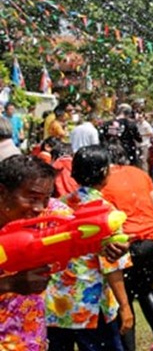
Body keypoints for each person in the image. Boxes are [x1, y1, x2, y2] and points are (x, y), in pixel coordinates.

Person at [46, 145, 133, 351]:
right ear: (104, 172)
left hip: (57, 303)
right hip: (90, 304)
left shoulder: (59, 206)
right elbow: (111, 264)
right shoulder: (105, 212)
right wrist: (125, 306)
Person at [101, 143, 153, 351]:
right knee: (147, 291)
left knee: (126, 299)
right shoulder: (140, 173)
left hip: (127, 243)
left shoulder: (104, 181)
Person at [0, 155, 71, 350]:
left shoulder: (49, 213)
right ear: (2, 192)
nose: (39, 208)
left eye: (46, 198)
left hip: (30, 340)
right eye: (32, 198)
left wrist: (109, 242)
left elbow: (82, 226)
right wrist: (8, 285)